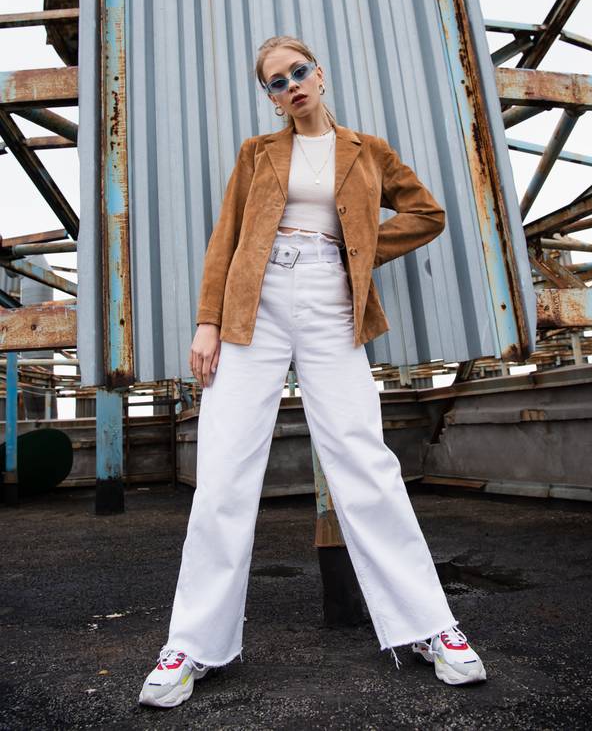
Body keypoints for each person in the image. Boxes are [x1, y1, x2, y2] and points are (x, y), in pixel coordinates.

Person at [139, 35, 487, 708]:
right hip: (255, 303)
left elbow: (427, 213)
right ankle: (192, 645)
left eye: (299, 72)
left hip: (332, 301)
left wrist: (359, 249)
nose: (291, 85)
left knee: (365, 460)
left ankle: (430, 626)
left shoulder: (368, 150)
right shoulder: (257, 153)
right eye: (276, 81)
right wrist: (207, 320)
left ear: (320, 75)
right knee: (223, 471)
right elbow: (226, 237)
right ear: (269, 96)